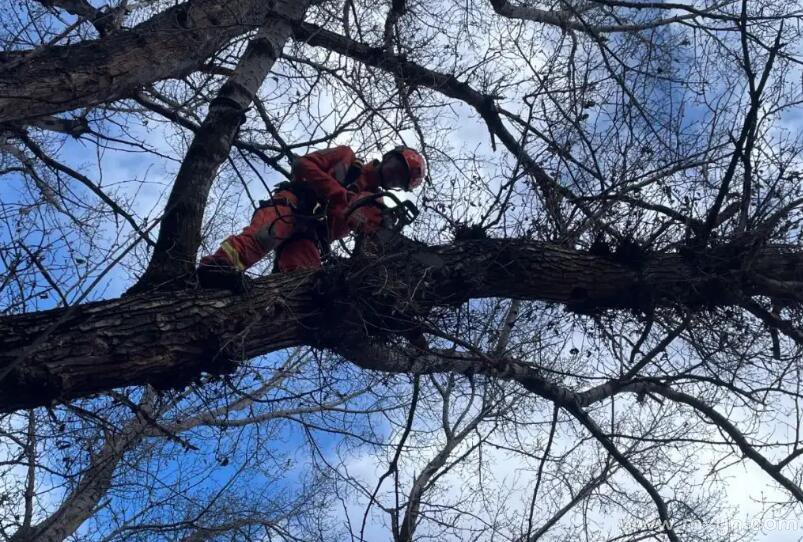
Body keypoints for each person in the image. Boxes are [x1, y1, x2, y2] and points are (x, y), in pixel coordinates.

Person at [197, 145, 426, 289]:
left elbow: (374, 243)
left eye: (399, 179)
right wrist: (337, 193)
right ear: (388, 157)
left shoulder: (375, 207)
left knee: (304, 284)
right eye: (396, 168)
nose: (393, 176)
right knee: (266, 235)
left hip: (314, 235)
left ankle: (251, 317)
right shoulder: (346, 158)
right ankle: (218, 269)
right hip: (294, 204)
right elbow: (302, 164)